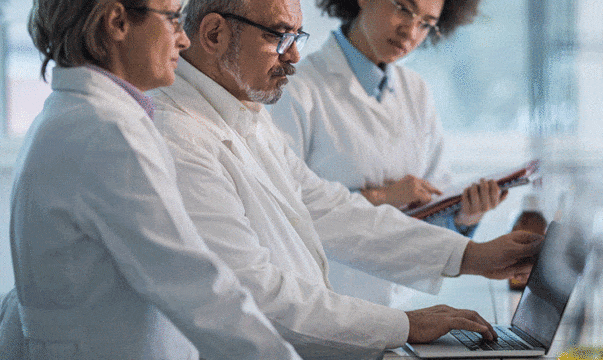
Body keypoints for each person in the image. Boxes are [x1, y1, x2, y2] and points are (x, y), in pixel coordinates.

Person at [148, 0, 543, 358]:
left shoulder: (244, 115)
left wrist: (470, 256)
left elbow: (329, 208)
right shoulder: (177, 137)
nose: (295, 55)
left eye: (297, 37)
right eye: (281, 36)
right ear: (215, 33)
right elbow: (249, 293)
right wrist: (404, 324)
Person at [10, 0, 300, 358]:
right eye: (174, 19)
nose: (184, 40)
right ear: (117, 22)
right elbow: (194, 286)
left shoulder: (71, 115)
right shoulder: (107, 131)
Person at [268, 0, 507, 305]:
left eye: (426, 23)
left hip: (401, 302)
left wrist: (464, 215)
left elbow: (432, 204)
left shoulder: (416, 91)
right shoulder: (296, 86)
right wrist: (384, 197)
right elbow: (283, 209)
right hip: (325, 299)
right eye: (404, 9)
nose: (410, 32)